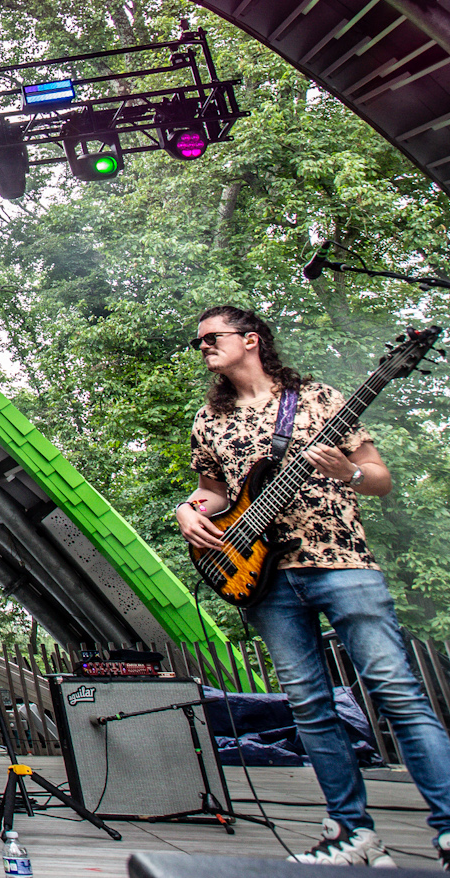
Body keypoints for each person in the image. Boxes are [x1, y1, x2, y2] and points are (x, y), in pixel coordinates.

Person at [177, 305, 450, 867]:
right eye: (198, 341)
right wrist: (188, 510)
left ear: (251, 340)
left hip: (341, 564)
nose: (203, 346)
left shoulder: (321, 400)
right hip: (266, 579)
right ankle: (352, 833)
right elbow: (215, 494)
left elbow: (379, 478)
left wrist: (348, 473)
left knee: (397, 693)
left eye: (212, 337)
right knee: (309, 706)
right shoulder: (209, 419)